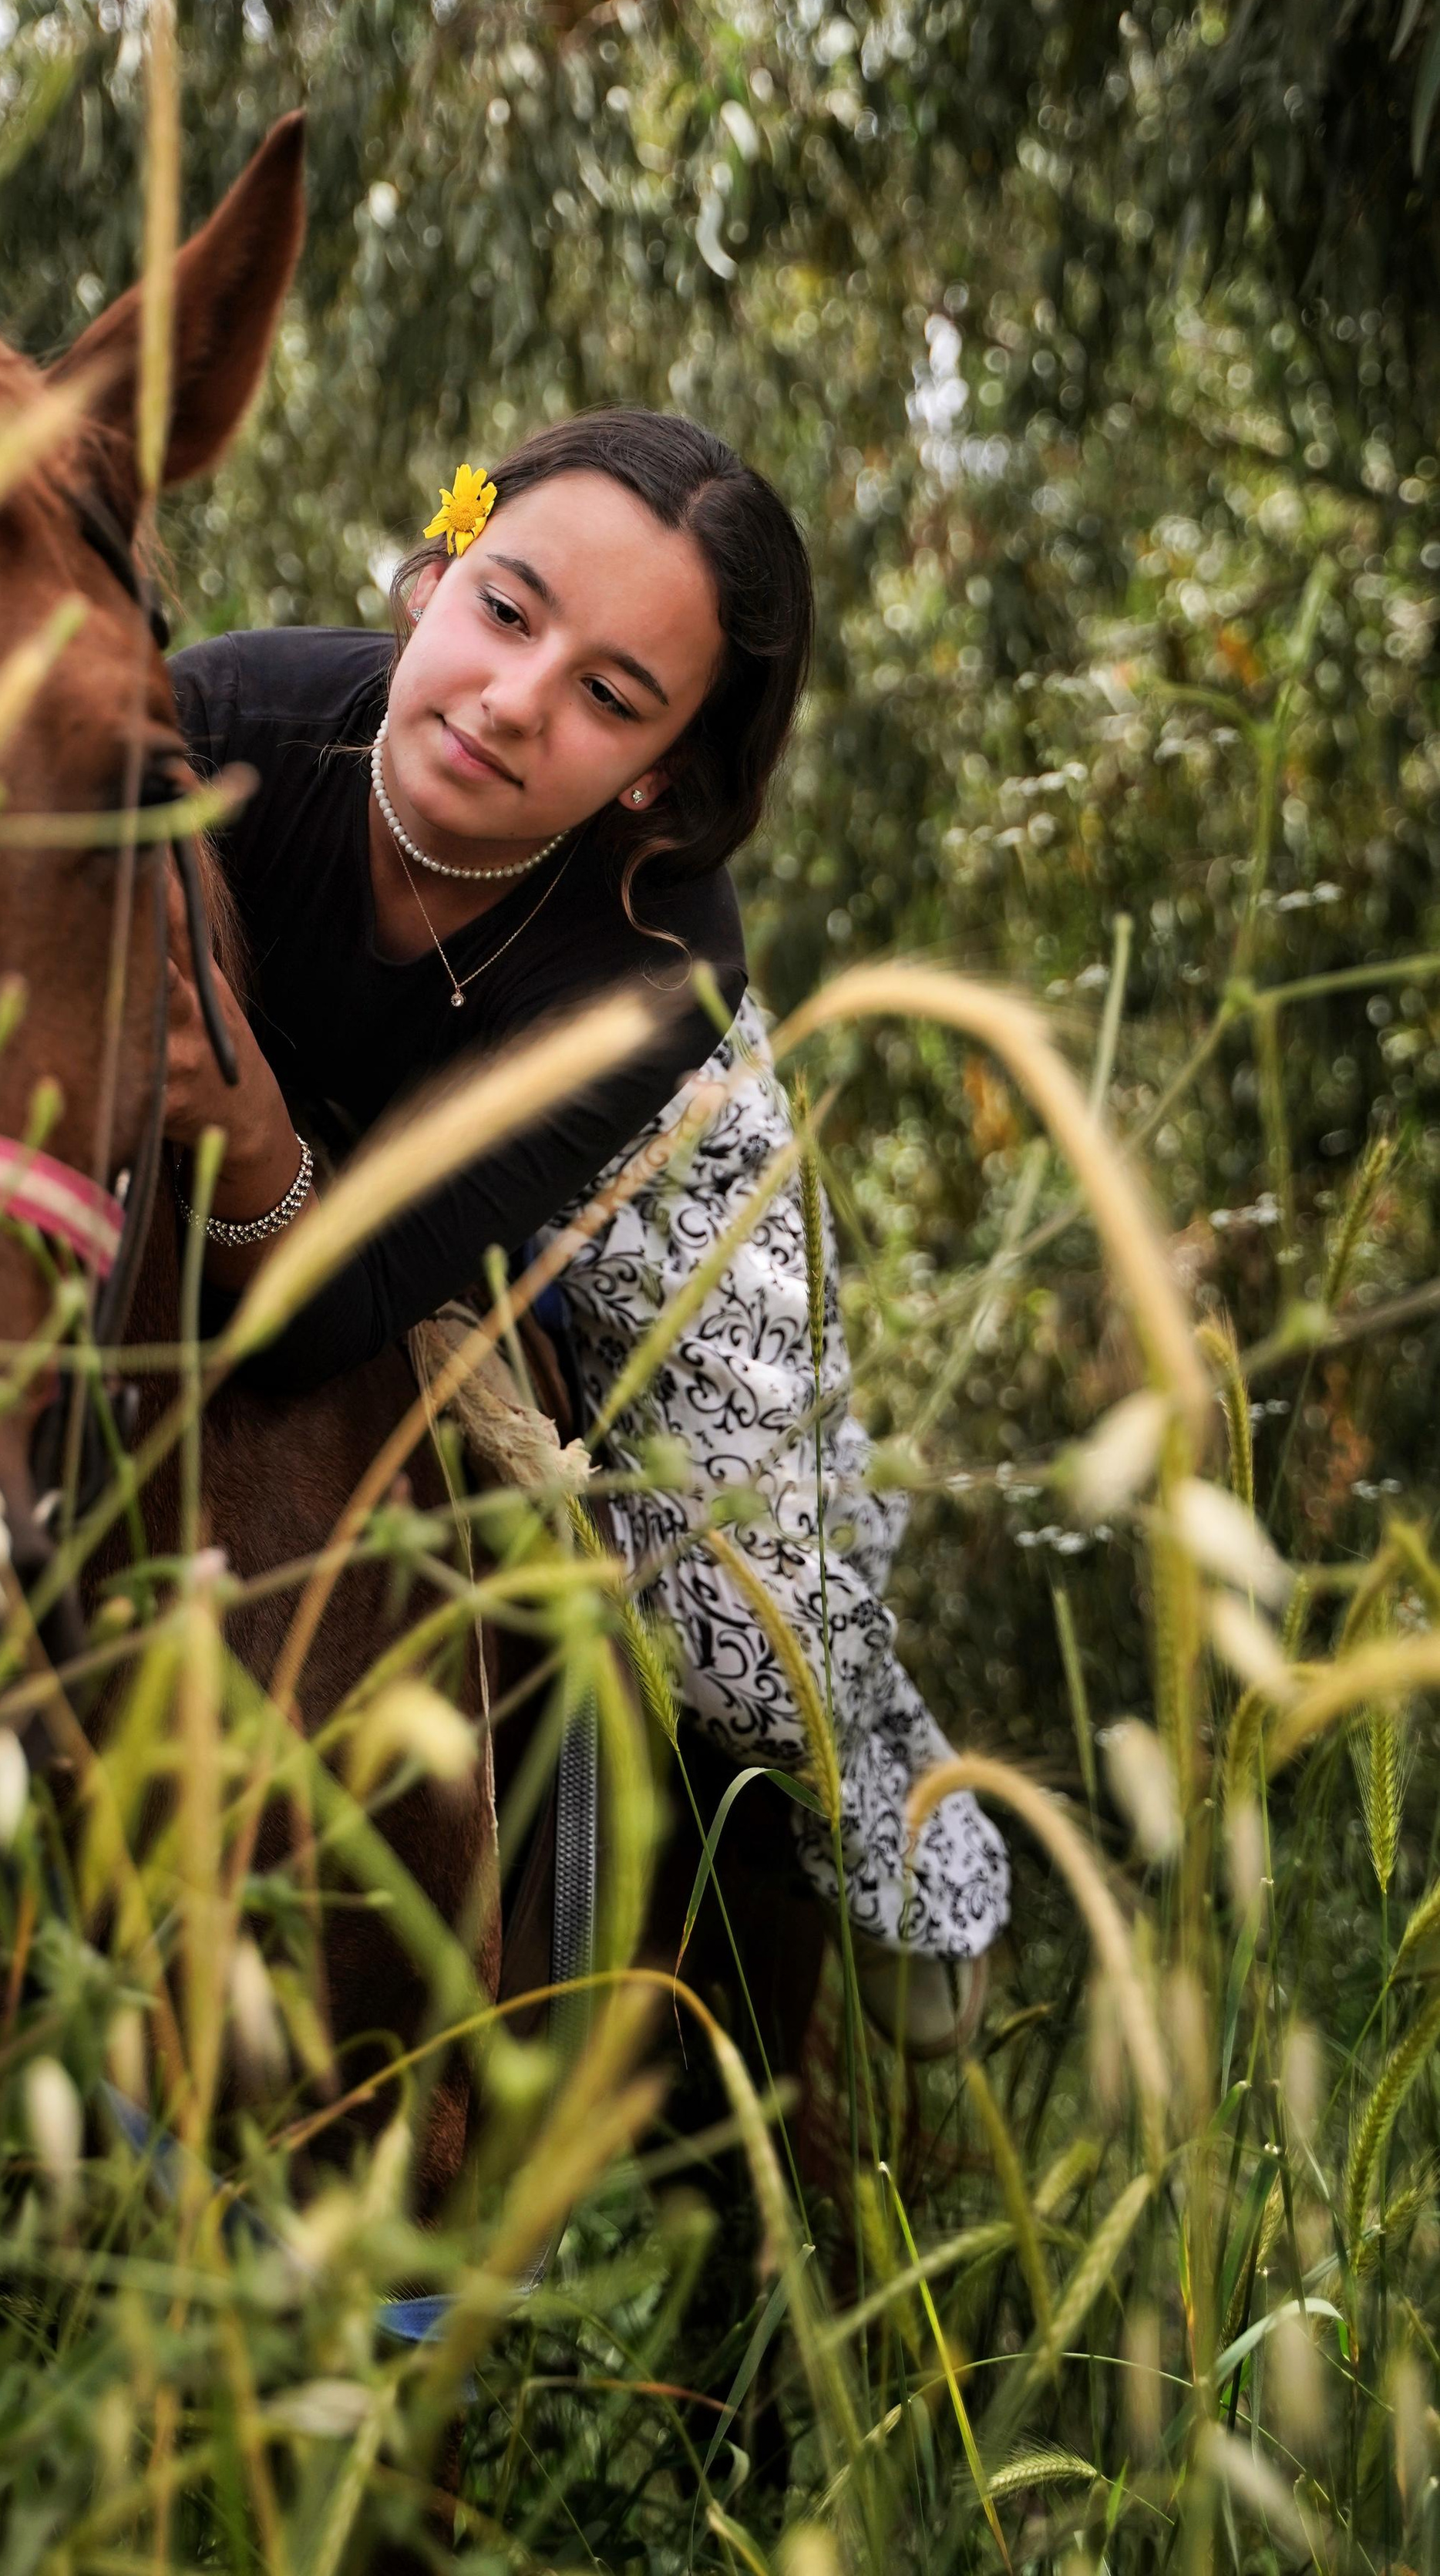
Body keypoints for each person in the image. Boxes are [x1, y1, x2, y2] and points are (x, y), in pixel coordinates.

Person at [159, 409, 1009, 2044]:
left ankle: (903, 1863)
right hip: (302, 1125)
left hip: (632, 1183)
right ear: (436, 568)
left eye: (608, 698)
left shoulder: (650, 975)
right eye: (505, 609)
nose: (510, 702)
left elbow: (338, 1313)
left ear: (660, 782)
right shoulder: (219, 719)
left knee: (753, 1634)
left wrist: (248, 1124)